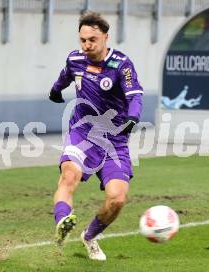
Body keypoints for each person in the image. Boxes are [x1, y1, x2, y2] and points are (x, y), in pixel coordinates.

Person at [49, 12, 143, 261]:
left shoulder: (121, 64)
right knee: (69, 175)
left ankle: (89, 236)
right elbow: (65, 75)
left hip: (114, 139)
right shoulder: (76, 59)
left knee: (117, 199)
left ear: (105, 37)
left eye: (92, 40)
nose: (86, 45)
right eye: (82, 40)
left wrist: (133, 118)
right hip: (83, 131)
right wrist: (56, 90)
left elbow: (135, 95)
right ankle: (62, 223)